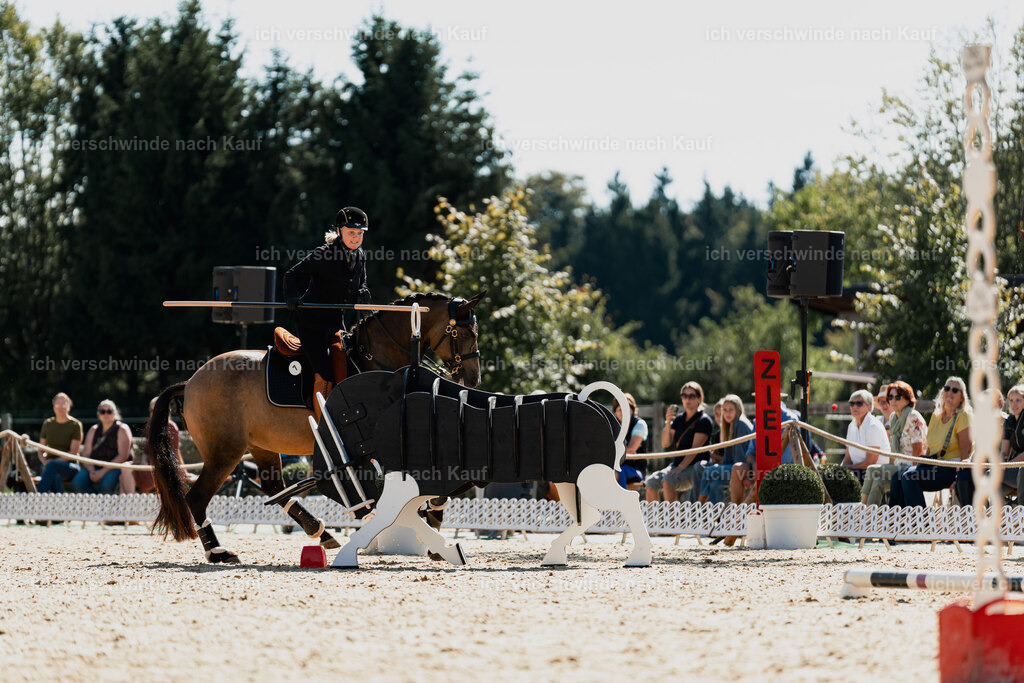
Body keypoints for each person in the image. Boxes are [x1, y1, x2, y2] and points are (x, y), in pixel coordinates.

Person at [283, 207, 371, 406]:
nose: (356, 238)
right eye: (351, 233)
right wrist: (291, 297)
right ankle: (314, 409)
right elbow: (291, 275)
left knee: (349, 366)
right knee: (326, 371)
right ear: (340, 231)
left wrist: (363, 290)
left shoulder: (360, 256)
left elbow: (361, 282)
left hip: (334, 320)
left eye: (360, 234)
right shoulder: (324, 254)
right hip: (311, 322)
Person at [891, 376, 972, 508]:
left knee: (909, 477)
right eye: (947, 388)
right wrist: (922, 464)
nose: (950, 392)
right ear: (942, 392)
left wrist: (960, 477)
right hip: (934, 464)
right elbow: (929, 447)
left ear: (961, 397)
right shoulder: (936, 415)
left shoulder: (963, 415)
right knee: (897, 477)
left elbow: (966, 449)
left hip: (951, 468)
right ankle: (897, 523)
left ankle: (922, 524)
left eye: (955, 390)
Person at [955, 385, 1024, 505]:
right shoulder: (1008, 422)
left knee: (986, 476)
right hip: (1000, 467)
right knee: (963, 475)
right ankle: (973, 515)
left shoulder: (1005, 421)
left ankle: (1010, 509)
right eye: (1012, 401)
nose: (1014, 404)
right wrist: (969, 461)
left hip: (1012, 467)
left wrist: (1004, 465)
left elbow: (1004, 453)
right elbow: (1000, 452)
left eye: (1018, 400)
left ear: (1000, 405)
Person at [645, 382, 713, 503]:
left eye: (691, 396)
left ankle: (673, 520)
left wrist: (680, 468)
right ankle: (654, 520)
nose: (687, 399)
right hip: (676, 465)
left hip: (696, 467)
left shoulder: (704, 420)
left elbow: (694, 449)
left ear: (699, 399)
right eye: (684, 396)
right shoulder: (678, 419)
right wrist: (668, 422)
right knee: (650, 482)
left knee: (668, 480)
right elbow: (665, 443)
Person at [861, 381, 926, 506]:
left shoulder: (913, 417)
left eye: (897, 397)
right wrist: (890, 466)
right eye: (890, 397)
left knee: (872, 470)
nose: (893, 401)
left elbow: (918, 452)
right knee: (878, 482)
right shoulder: (893, 418)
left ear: (907, 399)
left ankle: (860, 510)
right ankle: (870, 519)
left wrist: (912, 478)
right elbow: (893, 450)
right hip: (897, 466)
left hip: (910, 468)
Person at [130, 397, 196, 494]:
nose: (155, 412)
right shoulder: (150, 426)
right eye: (153, 410)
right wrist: (144, 460)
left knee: (129, 471)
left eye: (158, 409)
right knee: (125, 468)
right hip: (148, 466)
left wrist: (184, 472)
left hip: (162, 469)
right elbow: (146, 450)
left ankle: (132, 502)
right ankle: (128, 502)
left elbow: (175, 453)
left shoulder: (171, 426)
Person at [699, 395, 753, 504]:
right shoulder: (730, 425)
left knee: (708, 472)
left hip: (744, 469)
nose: (727, 413)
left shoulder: (740, 424)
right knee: (715, 483)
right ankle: (715, 517)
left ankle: (697, 508)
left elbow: (740, 458)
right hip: (734, 467)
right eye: (725, 410)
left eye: (731, 410)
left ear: (737, 409)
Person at [72, 400, 133, 494]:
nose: (106, 414)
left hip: (115, 467)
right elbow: (85, 454)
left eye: (109, 411)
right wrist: (92, 470)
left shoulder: (122, 429)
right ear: (98, 414)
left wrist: (102, 472)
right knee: (78, 482)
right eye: (102, 411)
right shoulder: (93, 429)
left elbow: (123, 456)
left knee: (106, 485)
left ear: (115, 413)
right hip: (94, 466)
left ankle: (105, 506)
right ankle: (95, 504)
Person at [36, 393, 84, 493]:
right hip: (49, 464)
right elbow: (40, 449)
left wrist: (52, 463)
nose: (61, 406)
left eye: (64, 403)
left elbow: (73, 453)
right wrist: (45, 462)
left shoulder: (75, 425)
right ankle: (59, 505)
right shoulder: (47, 424)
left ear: (69, 407)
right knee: (54, 474)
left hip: (69, 465)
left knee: (52, 467)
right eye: (58, 403)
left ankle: (37, 498)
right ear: (54, 407)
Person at [840, 389, 890, 483]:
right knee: (829, 475)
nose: (854, 406)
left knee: (841, 479)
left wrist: (847, 469)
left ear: (870, 407)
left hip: (875, 473)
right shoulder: (851, 426)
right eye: (851, 403)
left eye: (859, 403)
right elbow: (847, 458)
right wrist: (839, 469)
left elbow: (869, 463)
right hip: (856, 471)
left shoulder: (873, 426)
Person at [613, 393, 648, 489]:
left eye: (626, 408)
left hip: (636, 470)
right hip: (618, 467)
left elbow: (631, 449)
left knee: (614, 475)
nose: (623, 412)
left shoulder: (639, 424)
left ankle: (620, 503)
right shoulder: (615, 427)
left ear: (632, 410)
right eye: (620, 409)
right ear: (615, 412)